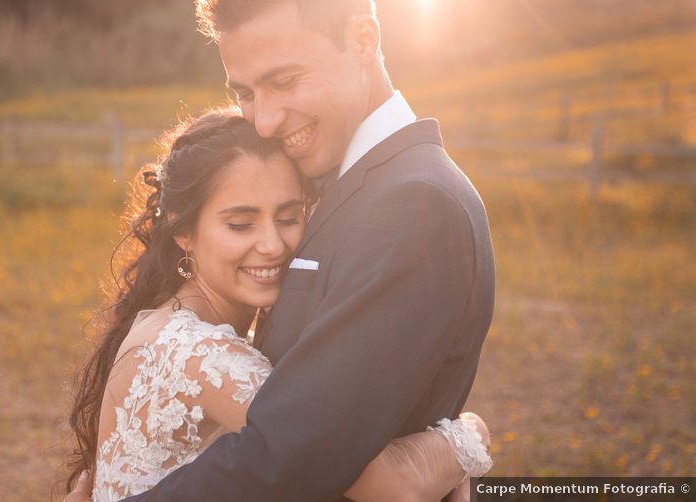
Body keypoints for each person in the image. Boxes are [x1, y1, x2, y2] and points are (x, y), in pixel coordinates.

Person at [73, 0, 495, 499]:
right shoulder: (341, 179)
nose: (266, 121)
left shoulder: (414, 201)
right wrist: (466, 440)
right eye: (245, 93)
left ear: (363, 40)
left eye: (285, 80)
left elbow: (293, 452)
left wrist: (461, 442)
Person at [66, 110, 491, 502]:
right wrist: (469, 435)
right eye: (240, 224)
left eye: (289, 217)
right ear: (182, 228)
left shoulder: (169, 323)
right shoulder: (197, 353)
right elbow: (394, 484)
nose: (272, 246)